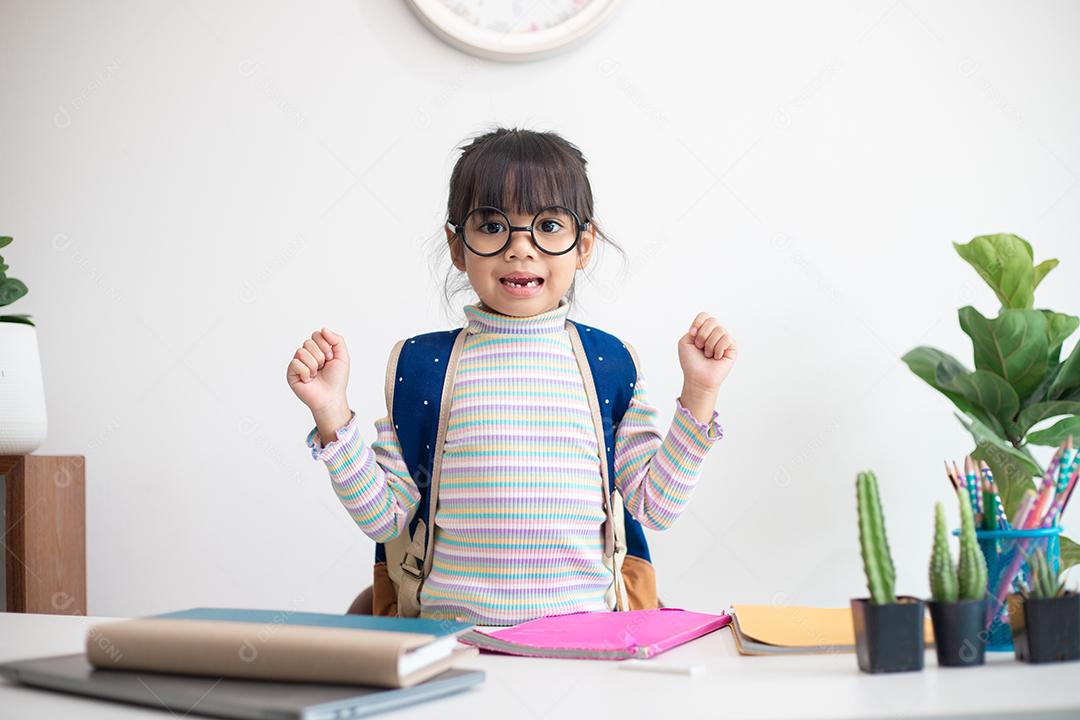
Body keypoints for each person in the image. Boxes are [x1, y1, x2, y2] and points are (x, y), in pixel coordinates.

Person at [287, 127, 738, 625]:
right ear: (457, 247)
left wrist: (700, 391)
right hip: (453, 642)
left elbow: (655, 507)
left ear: (583, 245)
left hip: (583, 643)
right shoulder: (422, 367)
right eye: (492, 225)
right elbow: (384, 517)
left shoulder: (608, 363)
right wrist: (331, 412)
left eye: (548, 226)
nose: (520, 248)